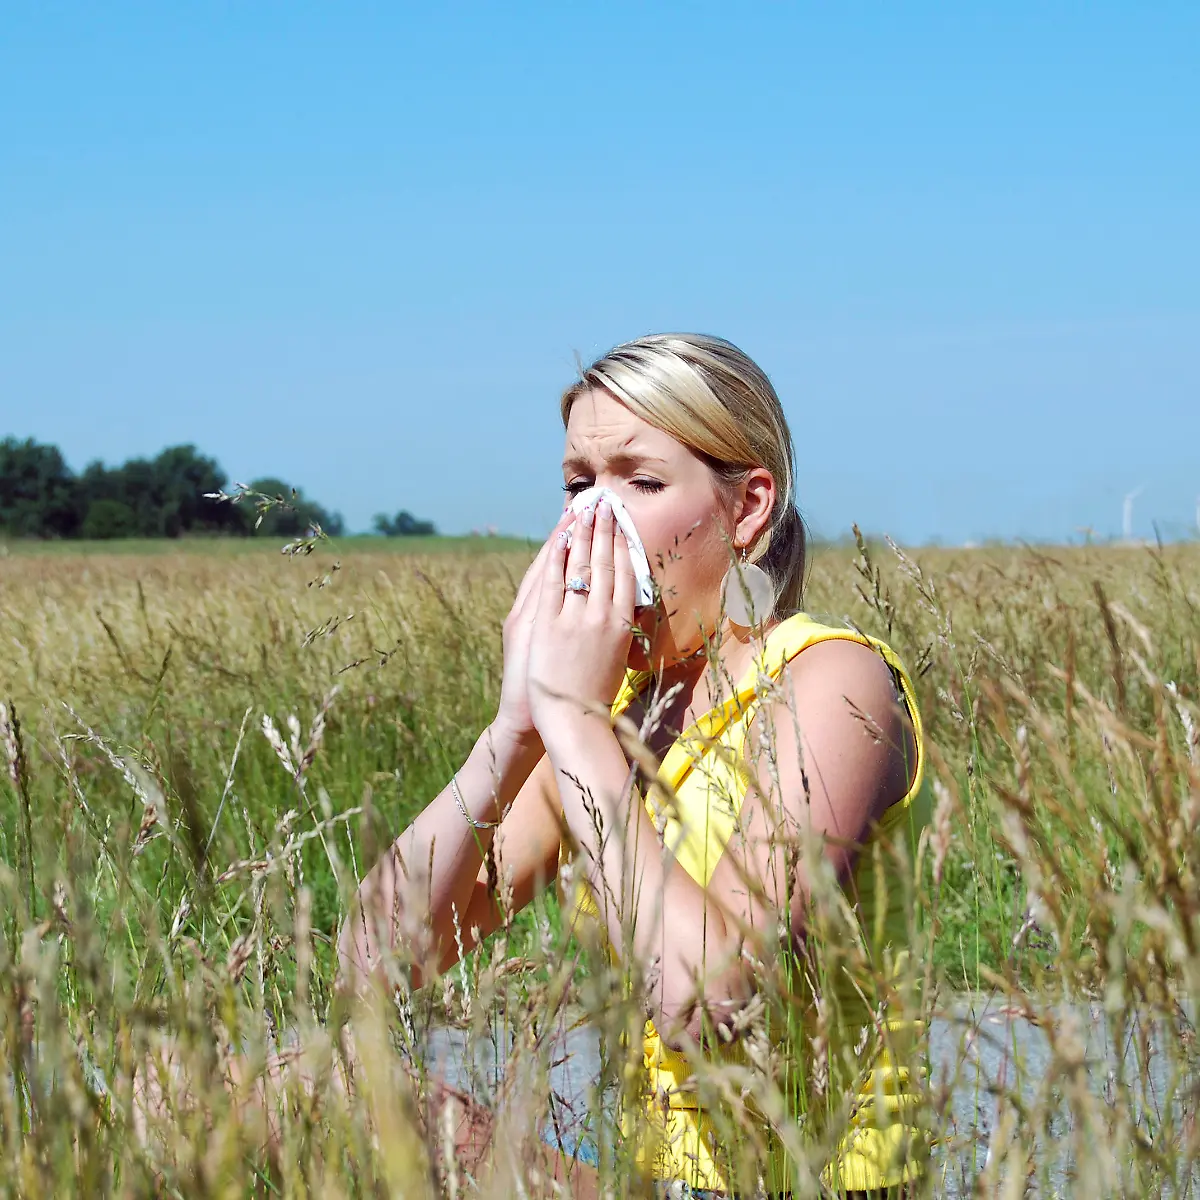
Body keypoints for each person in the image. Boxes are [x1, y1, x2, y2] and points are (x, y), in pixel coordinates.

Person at [337, 334, 930, 1197]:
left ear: (747, 508)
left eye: (640, 483)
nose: (594, 522)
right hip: (655, 1182)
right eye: (579, 484)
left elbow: (712, 1001)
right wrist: (514, 730)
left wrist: (576, 727)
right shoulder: (616, 717)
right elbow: (373, 962)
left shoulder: (834, 679)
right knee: (302, 1084)